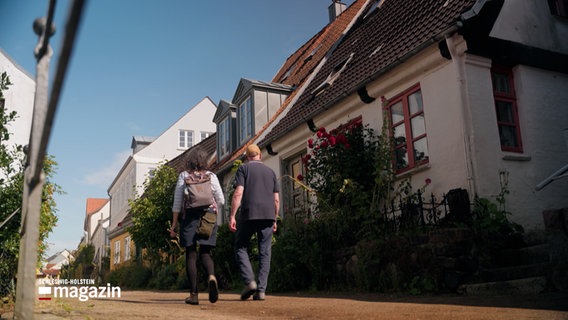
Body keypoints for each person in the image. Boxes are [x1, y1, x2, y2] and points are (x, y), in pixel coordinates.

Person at [170, 147, 225, 305]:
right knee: (206, 253)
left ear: (190, 161)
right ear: (204, 161)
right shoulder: (211, 176)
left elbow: (177, 203)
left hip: (189, 219)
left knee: (191, 255)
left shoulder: (184, 176)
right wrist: (212, 210)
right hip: (208, 217)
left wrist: (174, 225)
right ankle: (212, 277)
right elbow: (220, 200)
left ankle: (194, 295)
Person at [229, 144, 280, 301]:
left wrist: (232, 215)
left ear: (246, 157)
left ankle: (250, 282)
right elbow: (276, 199)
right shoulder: (271, 172)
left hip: (249, 214)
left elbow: (238, 193)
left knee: (240, 246)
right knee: (265, 252)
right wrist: (275, 218)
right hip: (268, 215)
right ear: (260, 156)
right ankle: (261, 290)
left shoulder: (244, 169)